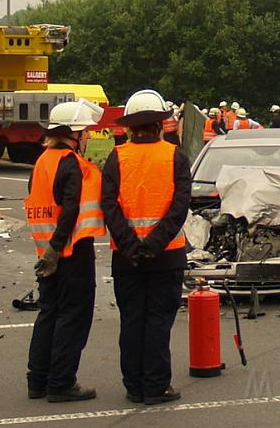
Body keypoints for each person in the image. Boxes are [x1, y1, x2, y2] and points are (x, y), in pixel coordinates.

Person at [101, 89, 191, 405]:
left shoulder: (116, 157)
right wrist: (153, 244)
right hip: (166, 256)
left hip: (126, 258)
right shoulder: (175, 156)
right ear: (158, 124)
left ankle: (134, 386)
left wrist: (131, 245)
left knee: (132, 321)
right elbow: (179, 207)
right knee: (157, 322)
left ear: (130, 126)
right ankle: (155, 386)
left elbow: (109, 205)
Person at [24, 100, 105, 402]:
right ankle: (61, 383)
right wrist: (58, 249)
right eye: (84, 132)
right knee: (73, 317)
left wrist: (49, 251)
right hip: (71, 252)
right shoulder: (71, 164)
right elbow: (70, 209)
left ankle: (38, 380)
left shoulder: (42, 161)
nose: (87, 138)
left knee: (49, 313)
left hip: (46, 252)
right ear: (73, 134)